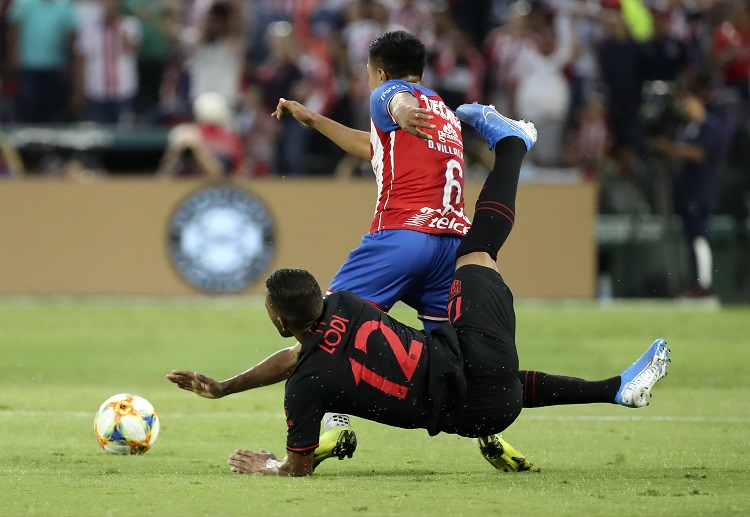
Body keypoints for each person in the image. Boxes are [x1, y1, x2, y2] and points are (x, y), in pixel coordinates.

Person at [168, 103, 672, 477]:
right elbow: (296, 353)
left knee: (491, 373)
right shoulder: (346, 302)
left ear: (281, 322)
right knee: (476, 255)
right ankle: (512, 145)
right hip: (475, 373)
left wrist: (266, 462)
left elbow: (296, 460)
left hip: (474, 411)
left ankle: (616, 389)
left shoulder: (305, 383)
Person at [168, 29, 479, 469]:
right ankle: (489, 433)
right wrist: (311, 119)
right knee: (454, 356)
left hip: (401, 240)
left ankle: (335, 423)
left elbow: (394, 102)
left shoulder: (389, 93)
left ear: (380, 71)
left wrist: (401, 106)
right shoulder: (443, 114)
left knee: (323, 330)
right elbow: (373, 148)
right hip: (450, 246)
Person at [650, 79, 726, 298]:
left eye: (688, 101)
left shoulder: (710, 125)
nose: (684, 106)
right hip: (687, 189)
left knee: (699, 236)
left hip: (701, 189)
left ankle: (704, 286)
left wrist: (670, 148)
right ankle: (696, 283)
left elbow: (699, 153)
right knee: (691, 237)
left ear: (699, 101)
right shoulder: (686, 128)